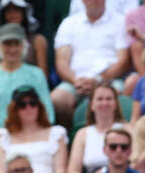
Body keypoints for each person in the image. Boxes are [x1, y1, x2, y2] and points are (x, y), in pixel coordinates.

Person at [49, 0, 129, 129]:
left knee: (120, 96)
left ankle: (114, 135)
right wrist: (76, 81)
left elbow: (123, 61)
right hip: (75, 82)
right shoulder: (68, 23)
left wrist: (99, 80)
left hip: (110, 81)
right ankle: (71, 138)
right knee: (57, 99)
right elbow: (61, 62)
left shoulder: (120, 22)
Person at [0, 24, 54, 146]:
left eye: (17, 44)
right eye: (7, 44)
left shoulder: (36, 73)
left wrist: (30, 132)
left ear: (24, 46)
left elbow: (48, 112)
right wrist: (4, 133)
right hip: (0, 136)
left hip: (34, 134)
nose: (12, 49)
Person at [0, 85, 68, 173]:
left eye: (33, 103)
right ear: (14, 109)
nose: (28, 108)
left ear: (39, 106)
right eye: (22, 105)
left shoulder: (56, 133)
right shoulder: (4, 136)